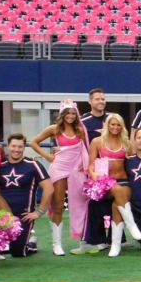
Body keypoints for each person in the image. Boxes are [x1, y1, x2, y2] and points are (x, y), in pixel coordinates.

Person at [30, 102, 90, 256]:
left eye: (73, 113)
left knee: (81, 203)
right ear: (62, 114)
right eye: (67, 113)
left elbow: (85, 149)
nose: (70, 116)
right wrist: (47, 156)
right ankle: (57, 244)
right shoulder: (54, 129)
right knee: (58, 205)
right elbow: (33, 142)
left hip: (77, 169)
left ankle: (83, 240)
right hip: (59, 168)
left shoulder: (80, 129)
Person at [86, 113, 138, 257]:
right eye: (112, 124)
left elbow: (135, 160)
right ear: (107, 125)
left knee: (117, 203)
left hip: (123, 179)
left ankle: (115, 245)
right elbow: (90, 164)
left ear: (122, 126)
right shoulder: (97, 141)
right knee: (116, 189)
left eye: (118, 124)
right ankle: (131, 223)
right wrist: (94, 174)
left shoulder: (127, 143)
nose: (115, 127)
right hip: (105, 182)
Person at [0, 133, 53, 258]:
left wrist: (39, 212)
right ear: (8, 146)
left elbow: (49, 188)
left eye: (20, 147)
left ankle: (31, 243)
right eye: (14, 146)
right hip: (3, 216)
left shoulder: (33, 165)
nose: (16, 149)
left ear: (24, 148)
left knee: (18, 252)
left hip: (23, 217)